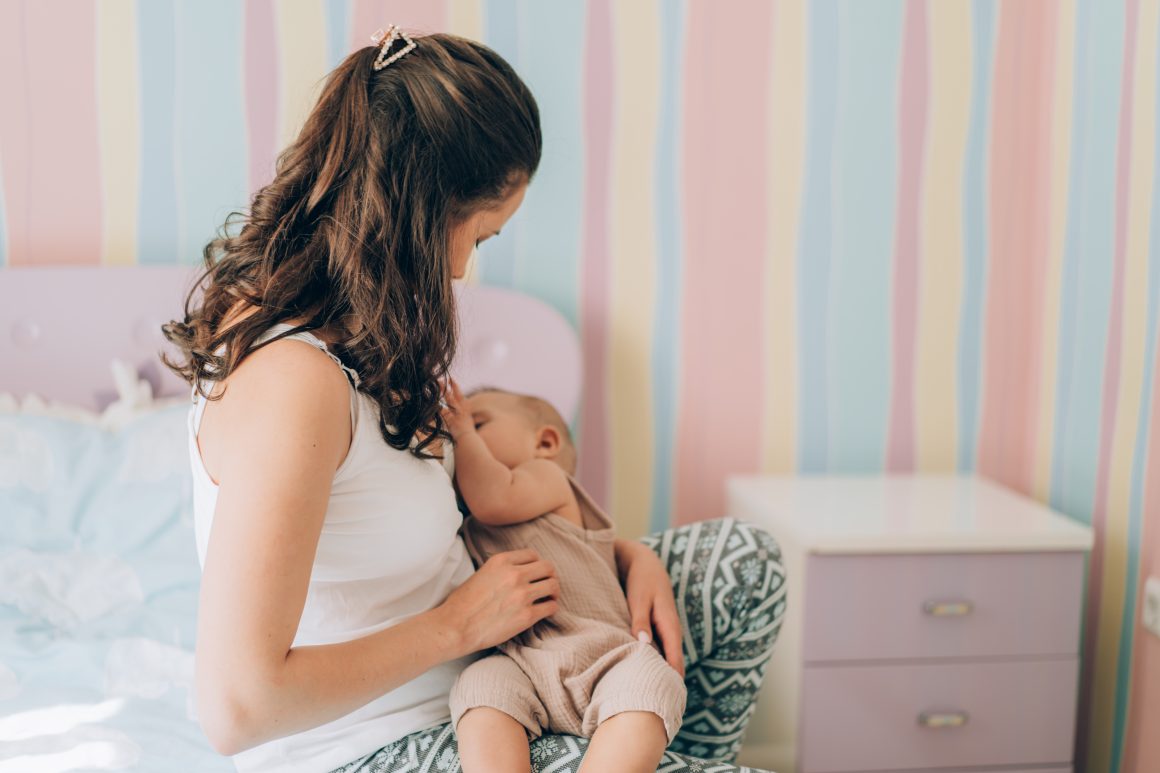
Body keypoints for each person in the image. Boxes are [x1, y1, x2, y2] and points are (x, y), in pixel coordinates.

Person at [162, 25, 786, 773]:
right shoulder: (291, 385)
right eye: (478, 237)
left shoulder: (363, 336)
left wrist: (613, 555)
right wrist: (455, 626)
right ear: (418, 215)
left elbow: (454, 520)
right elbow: (237, 705)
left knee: (745, 560)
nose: (461, 268)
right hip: (382, 738)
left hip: (505, 657)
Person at [443, 385, 685, 773]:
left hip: (604, 658)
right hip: (521, 662)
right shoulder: (467, 518)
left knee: (651, 682)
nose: (457, 434)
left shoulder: (545, 477)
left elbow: (492, 498)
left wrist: (461, 430)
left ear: (546, 442)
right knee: (479, 687)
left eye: (479, 422)